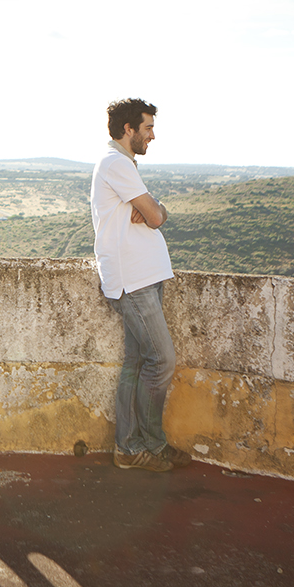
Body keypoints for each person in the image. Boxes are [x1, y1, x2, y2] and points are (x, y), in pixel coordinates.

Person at [90, 98, 191, 472]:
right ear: (128, 129)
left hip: (141, 276)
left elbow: (152, 212)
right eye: (147, 127)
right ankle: (151, 444)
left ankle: (130, 449)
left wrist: (154, 209)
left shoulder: (121, 164)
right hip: (134, 281)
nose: (153, 134)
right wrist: (155, 210)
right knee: (162, 361)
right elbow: (155, 216)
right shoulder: (116, 163)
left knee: (136, 362)